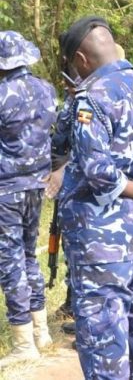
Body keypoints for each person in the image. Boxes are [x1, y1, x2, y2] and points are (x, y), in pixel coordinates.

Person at [57, 16, 133, 379]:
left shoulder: (91, 99)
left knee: (104, 340)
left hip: (100, 240)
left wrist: (132, 188)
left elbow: (96, 170)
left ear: (81, 59)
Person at [0, 31, 57, 367]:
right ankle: (41, 330)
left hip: (6, 188)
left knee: (9, 260)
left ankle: (23, 343)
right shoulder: (45, 90)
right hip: (37, 185)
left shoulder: (2, 95)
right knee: (27, 254)